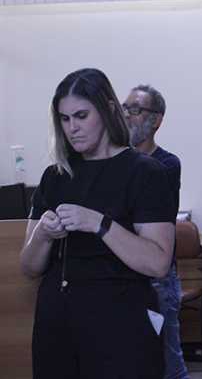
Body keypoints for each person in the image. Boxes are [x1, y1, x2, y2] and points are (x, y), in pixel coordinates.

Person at [20, 68, 176, 379]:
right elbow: (29, 267)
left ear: (107, 110)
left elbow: (158, 263)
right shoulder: (56, 176)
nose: (72, 128)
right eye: (64, 119)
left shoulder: (146, 173)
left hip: (120, 322)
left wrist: (100, 224)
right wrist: (43, 234)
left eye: (81, 116)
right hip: (58, 322)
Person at [123, 84, 186, 379]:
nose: (126, 115)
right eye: (124, 108)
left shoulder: (166, 164)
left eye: (135, 110)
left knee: (167, 362)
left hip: (156, 281)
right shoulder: (116, 161)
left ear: (156, 120)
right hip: (123, 277)